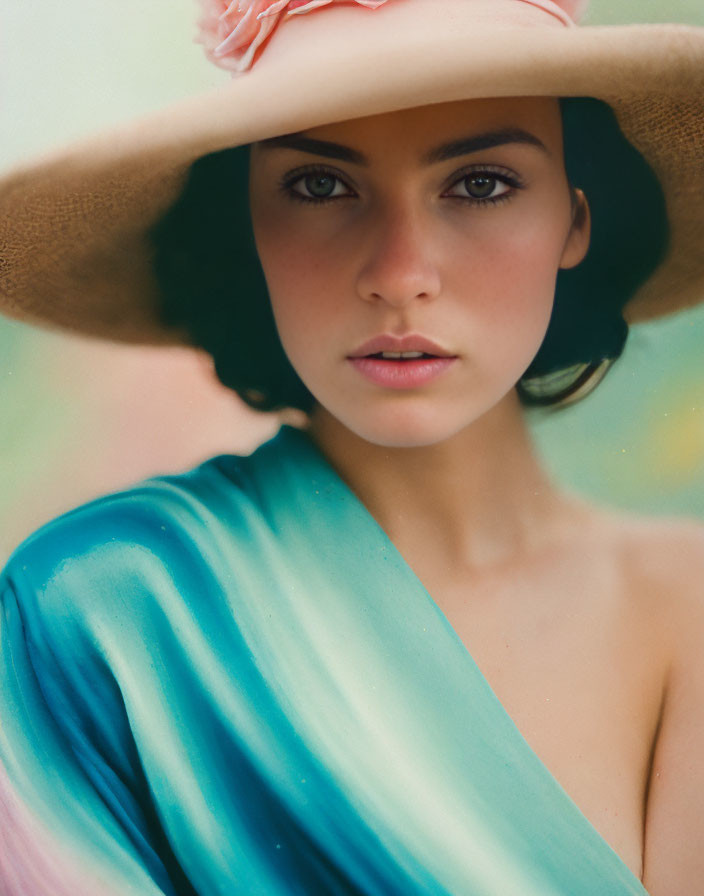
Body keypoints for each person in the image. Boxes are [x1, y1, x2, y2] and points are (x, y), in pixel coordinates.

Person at [0, 1, 703, 893]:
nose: (400, 273)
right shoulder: (98, 616)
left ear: (575, 220)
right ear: (246, 223)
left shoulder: (691, 607)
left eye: (481, 184)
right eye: (320, 186)